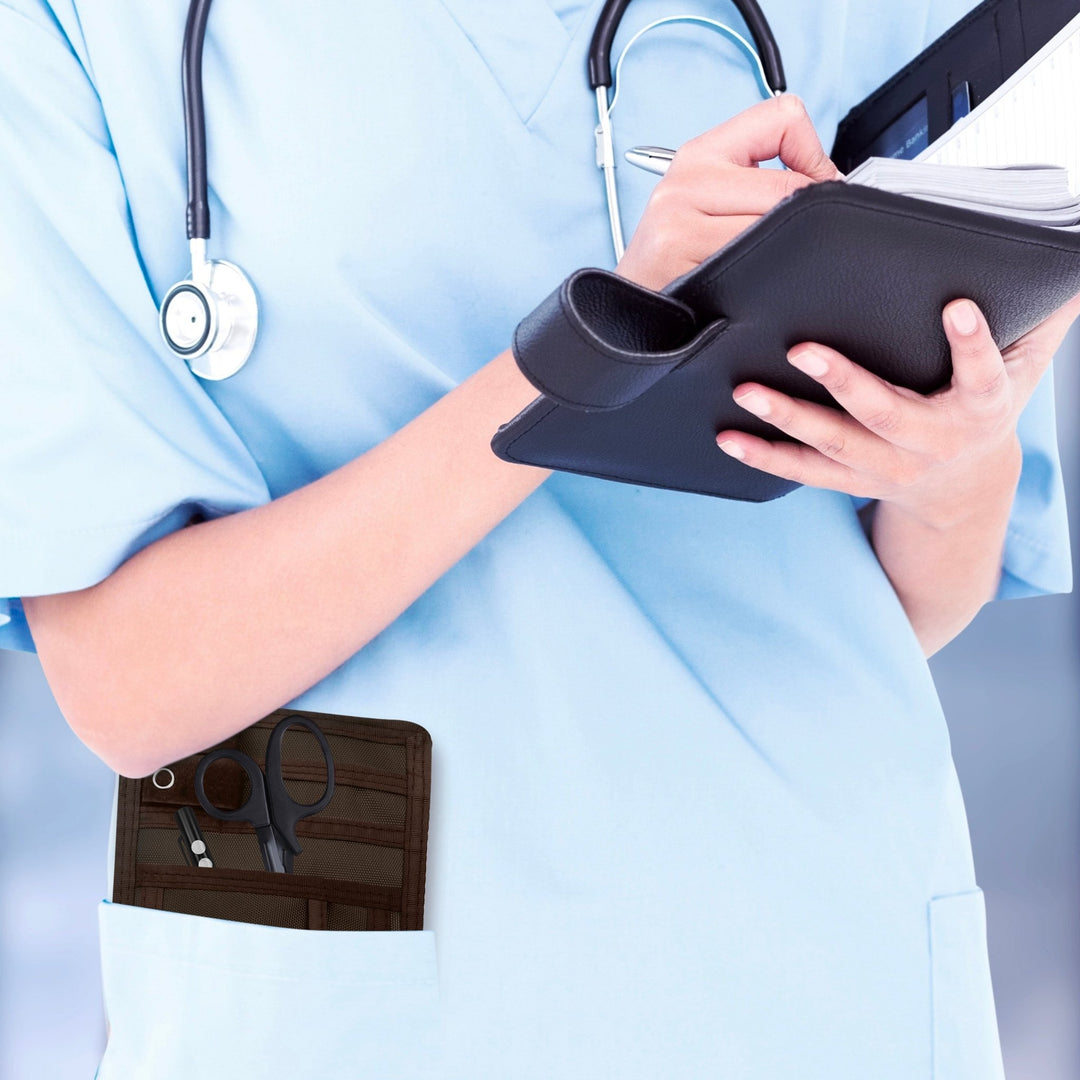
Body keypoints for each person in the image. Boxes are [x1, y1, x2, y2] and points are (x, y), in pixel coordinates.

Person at [0, 2, 1075, 1077]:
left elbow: (918, 599)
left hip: (813, 965)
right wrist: (597, 345)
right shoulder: (82, 28)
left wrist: (955, 452)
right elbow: (128, 683)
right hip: (339, 1014)